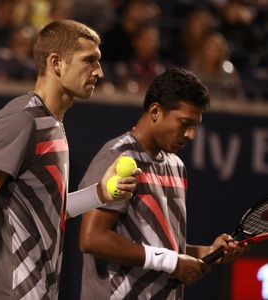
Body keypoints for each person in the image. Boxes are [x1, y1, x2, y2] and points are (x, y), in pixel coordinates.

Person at [0, 19, 140, 300]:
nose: (99, 71)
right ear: (56, 63)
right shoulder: (22, 118)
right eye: (89, 60)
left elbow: (44, 209)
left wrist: (99, 194)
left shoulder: (51, 123)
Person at [78, 68, 248, 300]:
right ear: (156, 111)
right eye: (185, 123)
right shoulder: (117, 157)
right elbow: (92, 238)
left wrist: (205, 252)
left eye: (195, 125)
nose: (190, 135)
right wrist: (172, 261)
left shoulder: (177, 166)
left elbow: (159, 245)